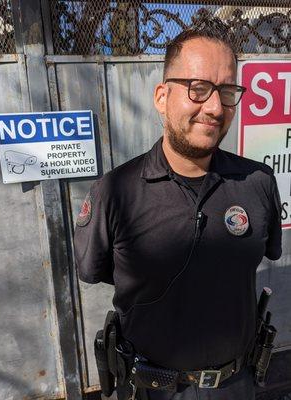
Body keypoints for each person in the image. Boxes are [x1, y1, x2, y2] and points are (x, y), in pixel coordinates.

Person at [74, 18, 282, 400]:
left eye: (227, 90)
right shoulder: (115, 192)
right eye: (198, 89)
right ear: (161, 97)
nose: (215, 107)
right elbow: (98, 271)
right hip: (148, 390)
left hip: (236, 387)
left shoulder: (258, 182)